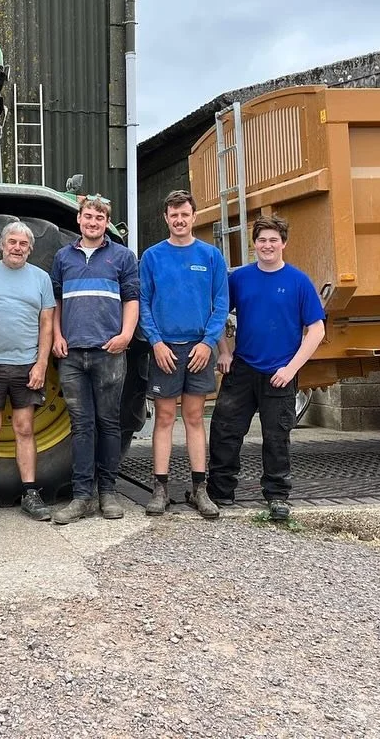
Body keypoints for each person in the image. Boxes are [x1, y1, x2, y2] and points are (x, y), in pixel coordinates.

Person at [208, 215, 326, 522]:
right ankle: (220, 491)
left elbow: (317, 331)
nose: (267, 245)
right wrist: (224, 351)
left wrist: (290, 369)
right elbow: (216, 313)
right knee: (224, 430)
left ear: (284, 243)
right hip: (243, 367)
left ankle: (276, 496)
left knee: (277, 437)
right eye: (261, 240)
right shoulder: (240, 278)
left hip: (280, 373)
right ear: (254, 244)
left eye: (274, 240)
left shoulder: (299, 282)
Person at [49, 194, 140, 524]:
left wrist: (126, 335)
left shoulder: (122, 257)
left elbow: (132, 300)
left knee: (109, 423)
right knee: (81, 426)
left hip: (109, 352)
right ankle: (82, 496)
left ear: (106, 223)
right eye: (88, 216)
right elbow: (56, 302)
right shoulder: (63, 257)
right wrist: (58, 336)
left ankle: (108, 493)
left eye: (99, 218)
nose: (92, 222)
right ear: (79, 219)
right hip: (72, 354)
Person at [138, 189, 229, 518]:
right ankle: (159, 489)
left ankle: (199, 489)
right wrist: (156, 342)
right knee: (163, 418)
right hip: (164, 348)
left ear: (194, 216)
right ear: (166, 218)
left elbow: (221, 305)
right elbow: (144, 304)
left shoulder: (211, 256)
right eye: (173, 215)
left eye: (184, 214)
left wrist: (207, 343)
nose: (179, 220)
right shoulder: (151, 257)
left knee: (193, 418)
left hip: (199, 350)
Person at [0, 221, 55, 523]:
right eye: (12, 242)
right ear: (2, 244)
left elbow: (47, 325)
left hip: (27, 366)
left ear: (30, 249)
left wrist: (41, 364)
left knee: (24, 428)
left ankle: (30, 492)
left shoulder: (41, 279)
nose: (17, 248)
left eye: (23, 244)